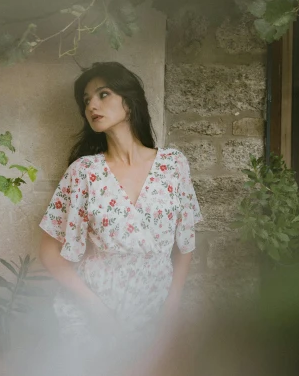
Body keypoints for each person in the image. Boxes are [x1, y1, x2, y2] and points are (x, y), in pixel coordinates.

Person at [38, 61, 202, 375]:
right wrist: (95, 308)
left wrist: (171, 305)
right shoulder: (83, 172)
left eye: (103, 94)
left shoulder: (173, 165)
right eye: (86, 100)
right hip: (94, 311)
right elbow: (49, 251)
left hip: (155, 307)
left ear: (129, 101)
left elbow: (186, 244)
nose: (92, 106)